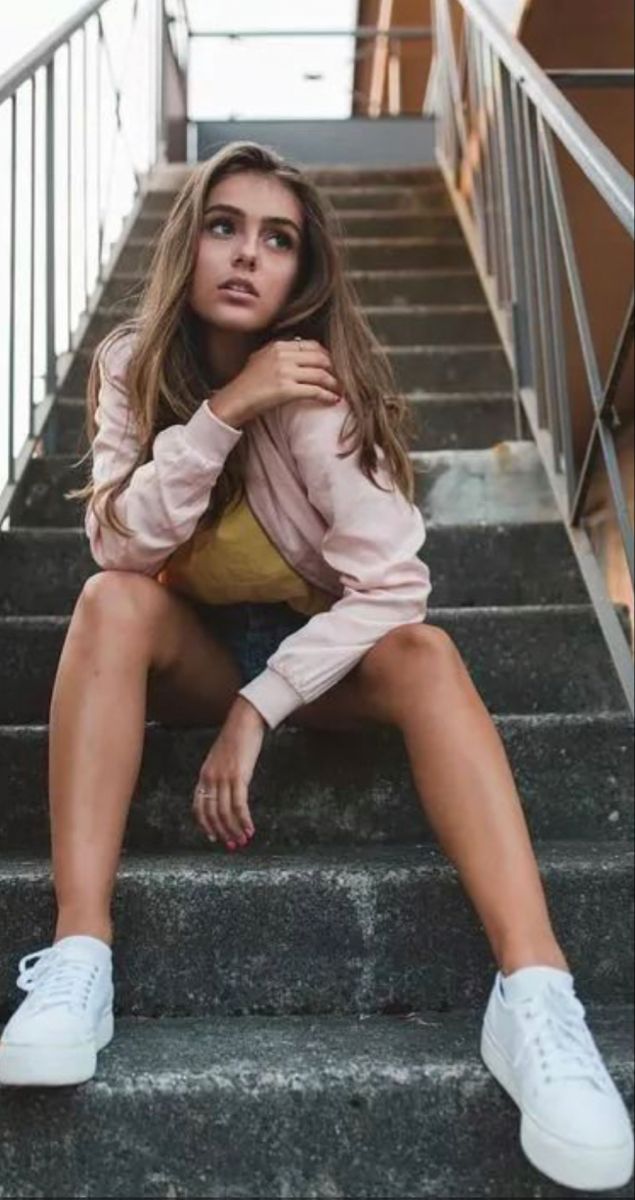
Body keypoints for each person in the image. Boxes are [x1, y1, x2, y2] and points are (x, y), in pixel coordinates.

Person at [0, 140, 632, 1193]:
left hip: (326, 660)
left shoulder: (317, 385)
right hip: (191, 650)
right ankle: (79, 958)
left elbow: (392, 589)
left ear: (304, 270)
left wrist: (258, 706)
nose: (247, 255)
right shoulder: (128, 363)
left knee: (427, 656)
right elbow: (122, 548)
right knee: (109, 603)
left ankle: (534, 998)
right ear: (188, 242)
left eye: (277, 238)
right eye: (224, 225)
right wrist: (218, 413)